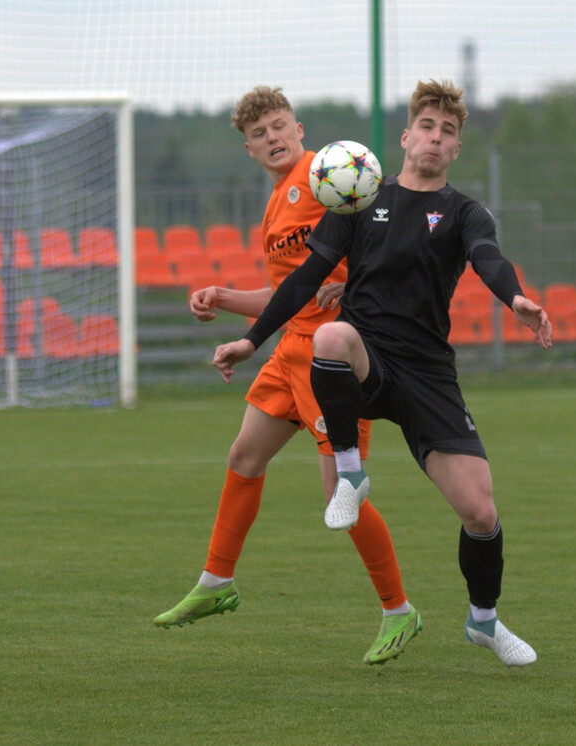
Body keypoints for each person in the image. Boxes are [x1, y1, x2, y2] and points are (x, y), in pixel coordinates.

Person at [213, 79, 553, 667]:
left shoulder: (464, 211)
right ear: (405, 136)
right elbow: (300, 281)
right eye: (427, 126)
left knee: (480, 511)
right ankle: (351, 476)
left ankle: (483, 621)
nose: (435, 138)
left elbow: (487, 257)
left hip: (426, 375)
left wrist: (515, 298)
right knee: (331, 334)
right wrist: (249, 340)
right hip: (366, 358)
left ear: (454, 150)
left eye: (447, 132)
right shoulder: (359, 200)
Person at [154, 86, 421, 665]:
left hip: (334, 355)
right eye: (259, 134)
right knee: (244, 456)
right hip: (289, 348)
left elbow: (383, 233)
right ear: (248, 149)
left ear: (299, 128)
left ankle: (399, 611)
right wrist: (223, 297)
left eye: (279, 125)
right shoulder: (278, 202)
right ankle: (217, 581)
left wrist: (351, 285)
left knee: (339, 494)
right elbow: (288, 291)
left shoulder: (327, 173)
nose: (271, 137)